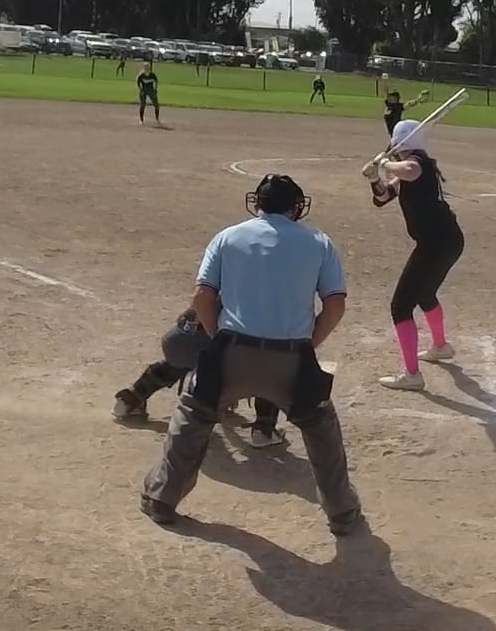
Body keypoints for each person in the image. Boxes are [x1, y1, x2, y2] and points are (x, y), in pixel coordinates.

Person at [139, 174, 361, 535]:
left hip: (231, 352)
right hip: (292, 358)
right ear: (296, 207)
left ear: (257, 203)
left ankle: (161, 499)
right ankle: (342, 513)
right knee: (321, 428)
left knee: (193, 415)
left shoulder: (228, 236)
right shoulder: (319, 242)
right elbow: (335, 304)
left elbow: (202, 297)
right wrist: (309, 344)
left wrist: (218, 339)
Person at [366, 119, 465, 391]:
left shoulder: (417, 163)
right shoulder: (409, 168)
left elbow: (410, 170)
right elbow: (382, 198)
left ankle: (412, 376)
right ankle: (441, 346)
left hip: (436, 244)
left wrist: (384, 163)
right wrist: (374, 178)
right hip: (446, 241)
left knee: (400, 306)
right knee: (425, 293)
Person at [113, 307, 284, 449]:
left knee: (183, 360)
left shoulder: (231, 279)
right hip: (221, 346)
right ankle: (264, 430)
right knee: (268, 364)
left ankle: (129, 400)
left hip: (178, 338)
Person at [136, 61, 161, 126]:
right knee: (142, 105)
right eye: (145, 67)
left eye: (148, 67)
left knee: (156, 105)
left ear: (149, 67)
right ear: (144, 68)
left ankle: (157, 119)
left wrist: (155, 89)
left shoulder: (152, 75)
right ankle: (141, 120)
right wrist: (140, 89)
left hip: (151, 91)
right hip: (144, 91)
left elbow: (156, 82)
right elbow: (138, 83)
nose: (147, 68)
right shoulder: (141, 75)